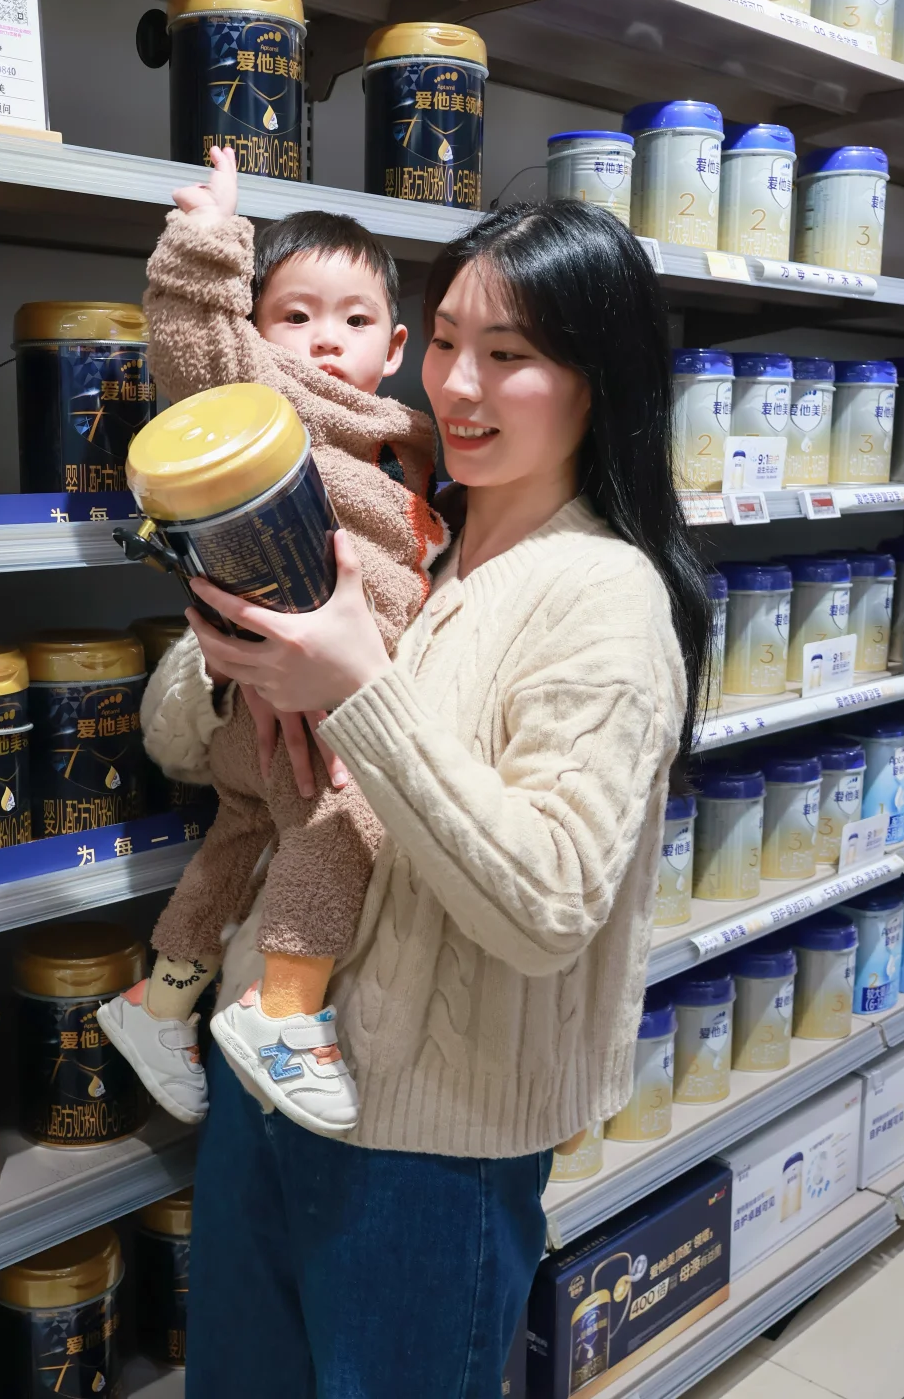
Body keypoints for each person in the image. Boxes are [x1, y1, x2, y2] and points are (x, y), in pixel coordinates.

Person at [140, 198, 711, 1396]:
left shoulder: (604, 597)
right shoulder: (402, 535)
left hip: (425, 1154)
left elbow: (548, 904)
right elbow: (179, 745)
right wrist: (230, 660)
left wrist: (356, 686)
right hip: (259, 1083)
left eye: (510, 354)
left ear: (599, 378)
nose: (458, 384)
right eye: (447, 340)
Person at [99, 145, 448, 1134]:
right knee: (345, 821)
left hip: (294, 707)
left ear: (395, 344)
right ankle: (286, 1010)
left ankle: (157, 1002)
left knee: (239, 838)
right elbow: (193, 355)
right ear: (254, 326)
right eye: (294, 314)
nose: (323, 339)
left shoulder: (398, 436)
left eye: (354, 319)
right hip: (302, 705)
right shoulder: (265, 396)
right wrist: (204, 245)